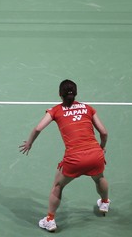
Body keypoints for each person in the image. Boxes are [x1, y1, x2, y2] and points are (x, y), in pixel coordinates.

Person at [19, 79, 110, 233]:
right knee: (99, 177)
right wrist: (101, 148)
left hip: (74, 158)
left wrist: (29, 143)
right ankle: (105, 202)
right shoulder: (88, 108)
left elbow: (38, 128)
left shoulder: (55, 111)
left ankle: (50, 220)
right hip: (95, 154)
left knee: (58, 186)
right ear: (75, 94)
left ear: (60, 94)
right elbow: (104, 132)